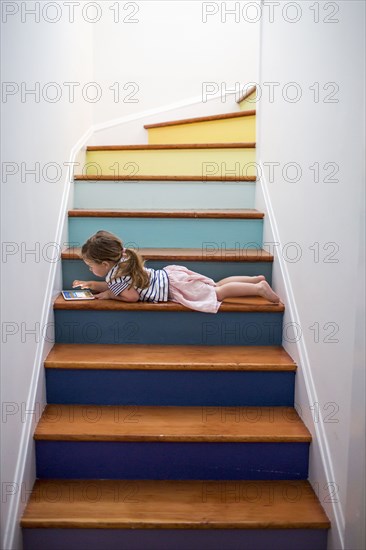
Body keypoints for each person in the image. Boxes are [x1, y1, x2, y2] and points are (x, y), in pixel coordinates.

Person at [72, 230, 280, 314]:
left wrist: (108, 294)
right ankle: (253, 279)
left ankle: (259, 288)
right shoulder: (123, 261)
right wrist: (92, 285)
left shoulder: (117, 276)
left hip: (175, 288)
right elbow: (120, 285)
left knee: (218, 293)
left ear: (105, 264)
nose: (90, 269)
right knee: (215, 284)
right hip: (173, 277)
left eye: (91, 266)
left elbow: (131, 297)